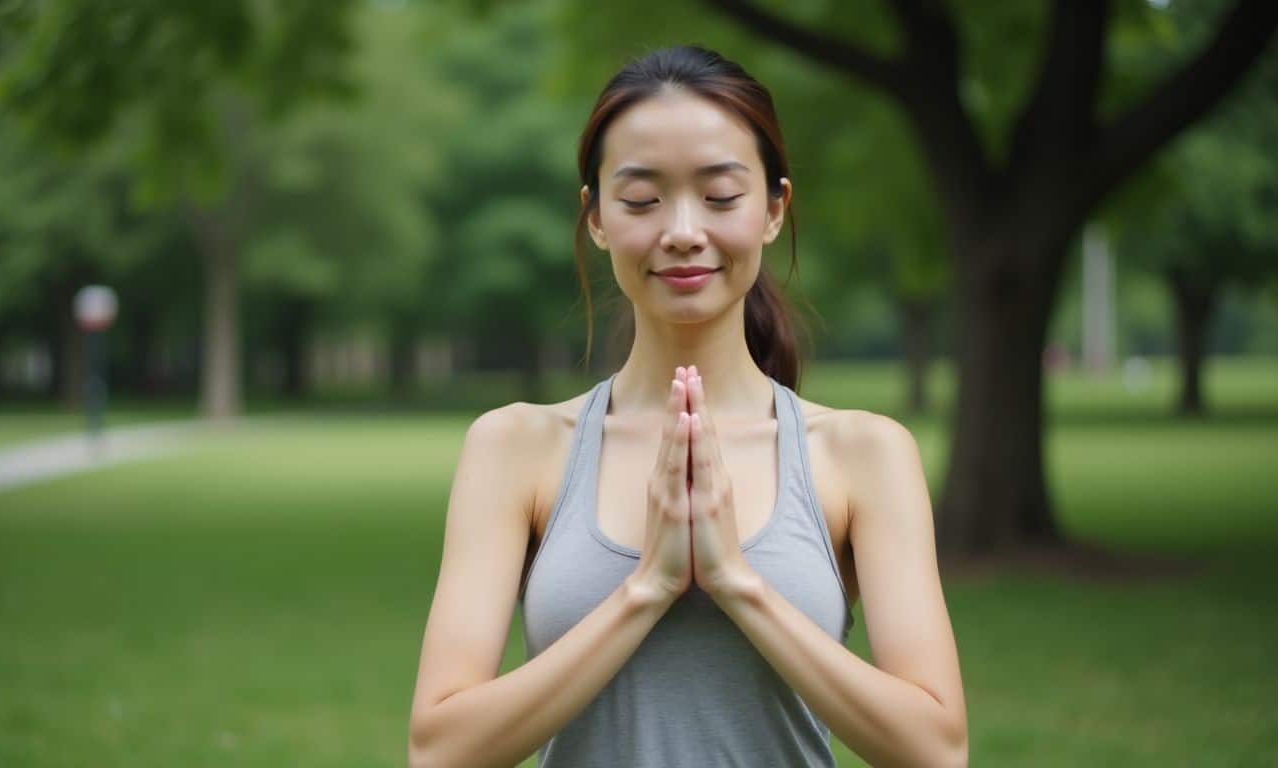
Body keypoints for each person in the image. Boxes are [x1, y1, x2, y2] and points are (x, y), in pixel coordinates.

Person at [409, 45, 967, 768]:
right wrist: (646, 589)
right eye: (641, 199)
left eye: (721, 196)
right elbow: (440, 749)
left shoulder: (863, 454)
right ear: (598, 217)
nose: (680, 230)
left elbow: (936, 749)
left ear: (773, 209)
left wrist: (737, 583)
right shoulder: (516, 447)